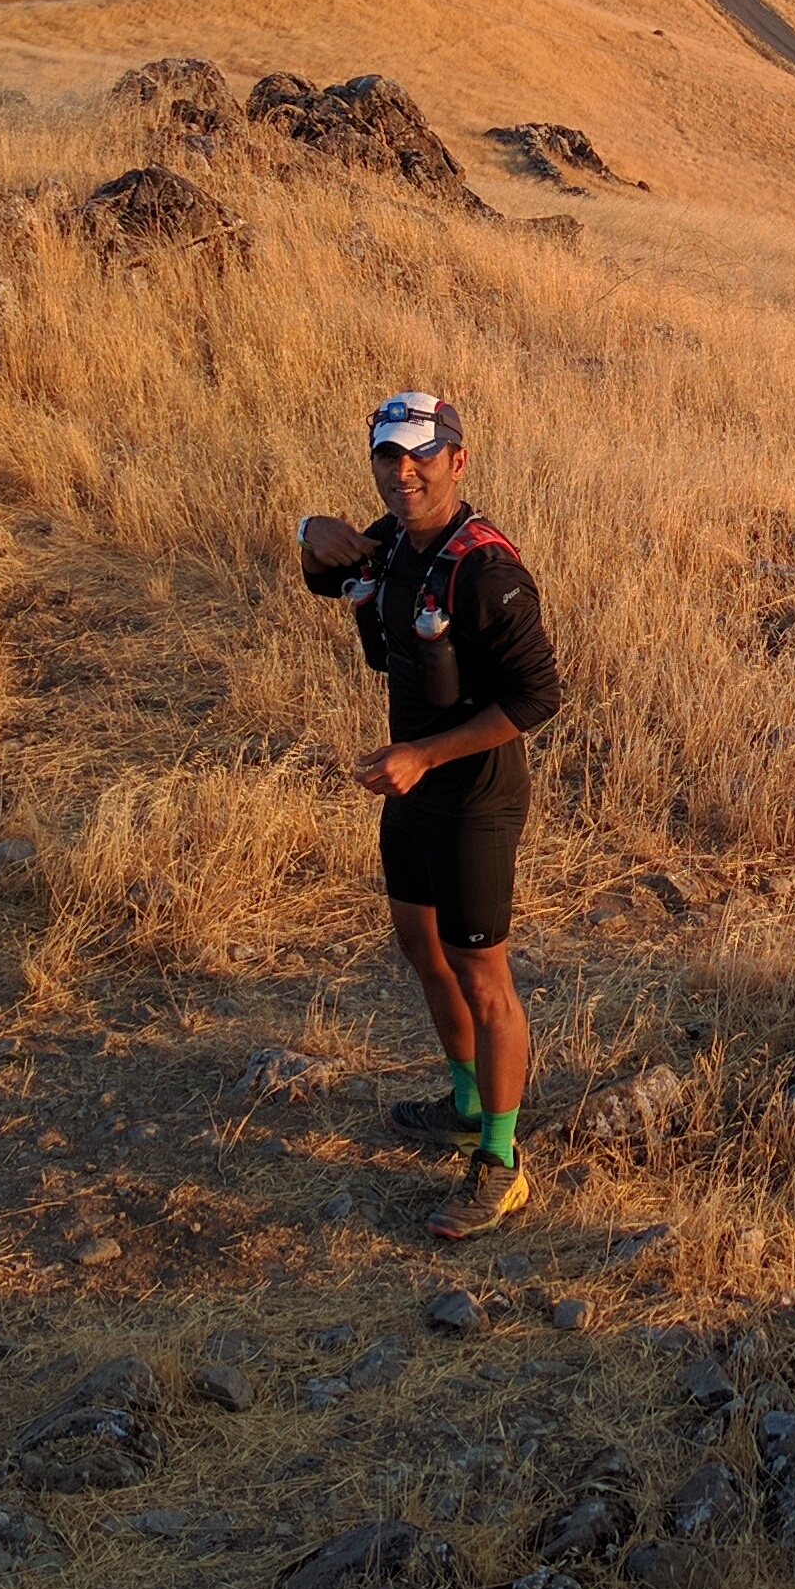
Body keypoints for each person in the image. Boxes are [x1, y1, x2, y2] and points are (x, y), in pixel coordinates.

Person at [301, 389, 567, 1243]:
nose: (403, 470)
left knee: (484, 978)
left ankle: (501, 1162)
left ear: (458, 459)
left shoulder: (488, 570)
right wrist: (311, 525)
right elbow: (324, 571)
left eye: (421, 454)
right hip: (411, 789)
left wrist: (421, 755)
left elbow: (538, 697)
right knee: (420, 949)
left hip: (475, 795)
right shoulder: (393, 547)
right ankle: (462, 1102)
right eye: (388, 455)